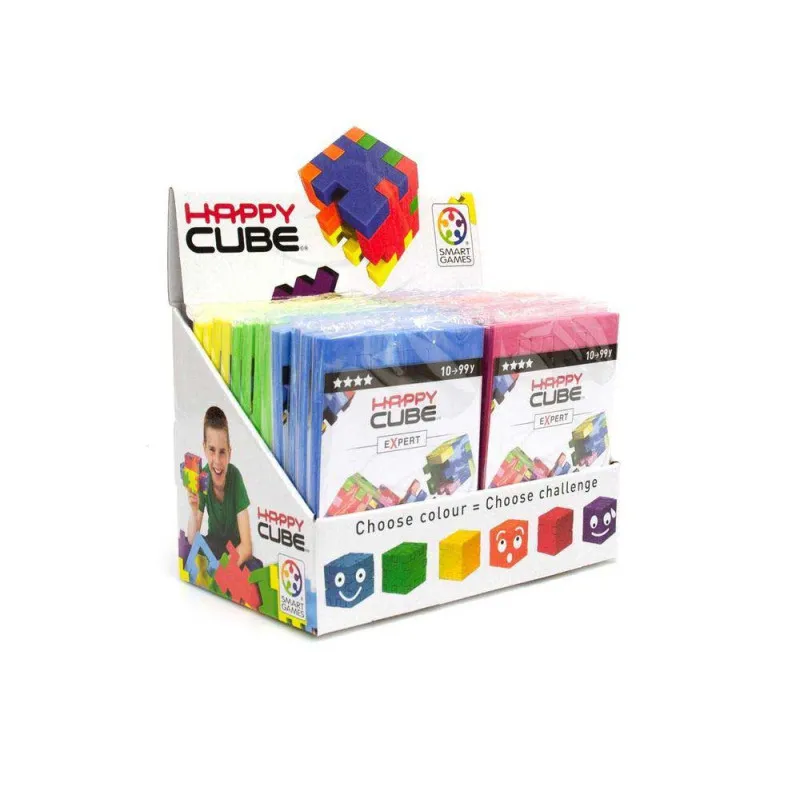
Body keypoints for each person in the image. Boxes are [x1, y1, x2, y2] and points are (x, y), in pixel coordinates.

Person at [186, 406, 253, 564]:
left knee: (253, 564)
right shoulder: (203, 477)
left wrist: (222, 568)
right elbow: (192, 539)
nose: (217, 460)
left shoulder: (235, 477)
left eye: (222, 452)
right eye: (212, 450)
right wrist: (194, 511)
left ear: (230, 453)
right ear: (204, 448)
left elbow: (246, 547)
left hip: (235, 548)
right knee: (193, 549)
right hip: (214, 544)